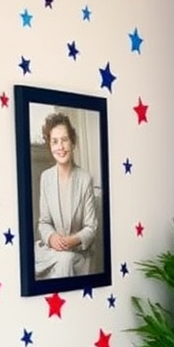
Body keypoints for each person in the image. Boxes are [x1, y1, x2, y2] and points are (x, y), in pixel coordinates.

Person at [33, 111, 98, 278]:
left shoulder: (85, 179)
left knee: (66, 260)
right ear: (50, 146)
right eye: (55, 141)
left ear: (73, 142)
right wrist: (52, 237)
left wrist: (72, 240)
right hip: (51, 252)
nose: (60, 147)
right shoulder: (46, 178)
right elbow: (44, 222)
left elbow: (91, 227)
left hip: (77, 253)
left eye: (64, 140)